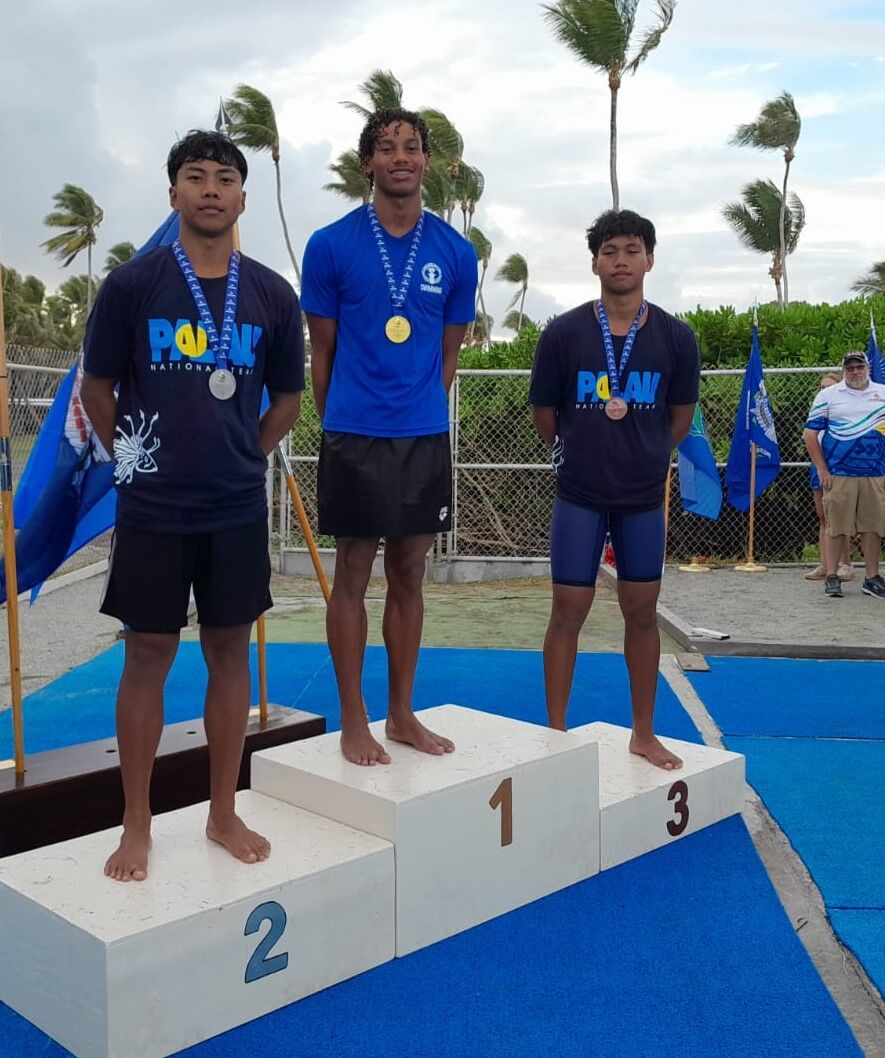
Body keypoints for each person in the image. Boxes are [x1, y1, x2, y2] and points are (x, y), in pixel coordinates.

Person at [81, 130, 304, 881]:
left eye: (225, 179)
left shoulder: (272, 293)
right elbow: (97, 389)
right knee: (148, 656)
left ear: (242, 197)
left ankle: (221, 812)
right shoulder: (132, 285)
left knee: (228, 652)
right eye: (195, 176)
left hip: (234, 505)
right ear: (173, 193)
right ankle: (136, 822)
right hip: (154, 508)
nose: (211, 189)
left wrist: (245, 453)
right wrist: (135, 461)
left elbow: (287, 402)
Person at [301, 108, 477, 766]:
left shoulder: (455, 253)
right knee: (351, 574)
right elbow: (322, 353)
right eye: (386, 147)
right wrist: (346, 416)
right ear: (367, 163)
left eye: (411, 146)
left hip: (421, 435)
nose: (400, 156)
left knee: (408, 576)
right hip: (353, 433)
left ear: (427, 161)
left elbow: (448, 354)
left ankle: (401, 714)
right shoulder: (330, 244)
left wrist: (414, 407)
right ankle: (354, 719)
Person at [529, 209, 700, 770]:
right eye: (610, 251)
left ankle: (643, 734)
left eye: (631, 250)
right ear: (594, 262)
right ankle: (555, 734)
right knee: (568, 609)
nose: (620, 260)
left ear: (650, 259)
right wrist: (587, 452)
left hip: (643, 498)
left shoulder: (676, 337)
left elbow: (679, 418)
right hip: (579, 493)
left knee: (642, 610)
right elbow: (545, 415)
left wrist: (643, 457)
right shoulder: (564, 333)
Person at [804, 350, 885, 600]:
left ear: (868, 368)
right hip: (839, 474)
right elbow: (809, 434)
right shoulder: (828, 395)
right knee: (836, 527)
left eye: (859, 367)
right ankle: (832, 576)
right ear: (843, 370)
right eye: (850, 368)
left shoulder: (882, 393)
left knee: (872, 527)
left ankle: (872, 578)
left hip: (875, 473)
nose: (855, 372)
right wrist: (821, 468)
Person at [803, 373, 853, 581]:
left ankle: (846, 565)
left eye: (829, 387)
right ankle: (825, 565)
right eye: (822, 387)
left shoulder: (844, 414)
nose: (825, 391)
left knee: (838, 518)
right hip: (817, 467)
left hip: (836, 469)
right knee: (823, 516)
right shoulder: (817, 413)